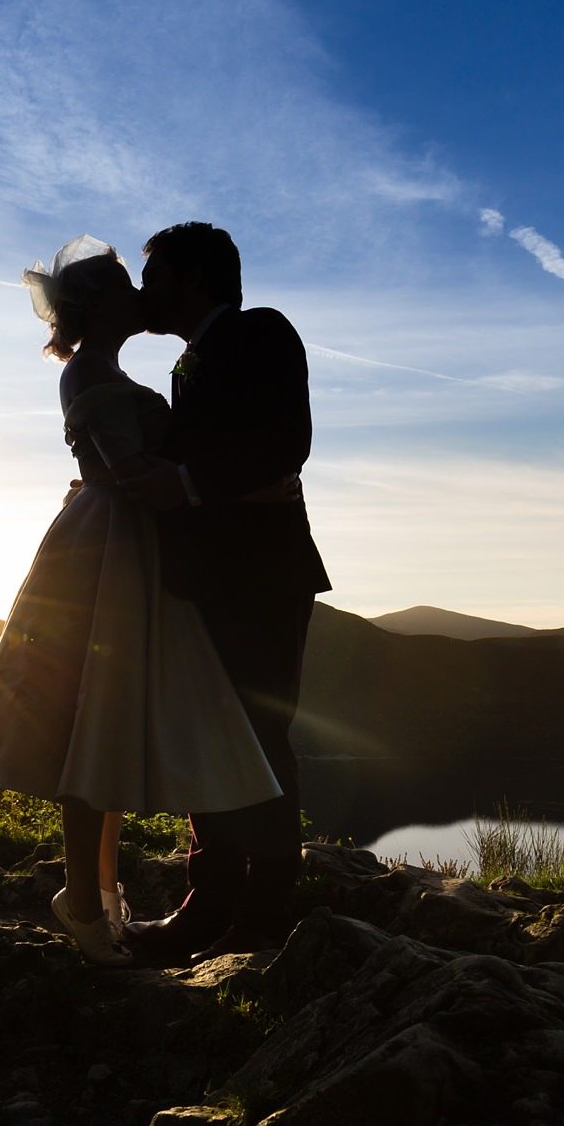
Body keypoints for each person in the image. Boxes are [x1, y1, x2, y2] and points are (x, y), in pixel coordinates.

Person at [0, 236, 282, 965]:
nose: (144, 295)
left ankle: (102, 892)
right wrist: (138, 477)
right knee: (91, 718)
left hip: (135, 547)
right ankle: (87, 898)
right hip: (112, 552)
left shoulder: (125, 364)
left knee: (110, 720)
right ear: (101, 302)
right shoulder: (93, 372)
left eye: (150, 278)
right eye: (132, 283)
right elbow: (126, 468)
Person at [117, 221, 332, 962]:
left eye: (156, 277)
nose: (144, 293)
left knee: (259, 736)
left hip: (264, 578)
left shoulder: (261, 332)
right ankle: (208, 902)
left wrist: (180, 482)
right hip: (205, 579)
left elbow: (285, 443)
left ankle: (265, 912)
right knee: (206, 733)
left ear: (196, 280)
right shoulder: (187, 364)